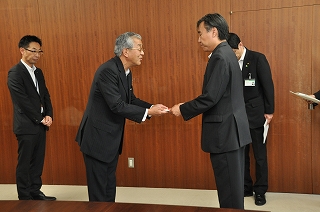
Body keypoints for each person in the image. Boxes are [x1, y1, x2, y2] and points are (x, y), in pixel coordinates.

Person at [75, 32, 169, 202]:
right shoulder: (108, 71)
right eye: (139, 48)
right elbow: (116, 105)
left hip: (110, 139)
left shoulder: (125, 71)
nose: (142, 53)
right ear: (126, 51)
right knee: (99, 194)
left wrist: (151, 107)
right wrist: (148, 113)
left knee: (109, 186)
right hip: (97, 139)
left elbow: (131, 100)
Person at [171, 14, 252, 209]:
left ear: (213, 31)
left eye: (200, 33)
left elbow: (210, 97)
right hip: (234, 132)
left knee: (229, 193)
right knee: (234, 189)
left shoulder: (219, 56)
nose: (198, 39)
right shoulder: (228, 53)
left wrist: (182, 109)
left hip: (225, 134)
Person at [227, 32, 274, 206]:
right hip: (238, 116)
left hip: (257, 115)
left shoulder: (257, 58)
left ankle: (260, 191)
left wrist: (269, 111)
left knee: (259, 156)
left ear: (240, 45)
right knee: (242, 154)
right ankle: (246, 187)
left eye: (234, 52)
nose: (232, 56)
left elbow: (268, 86)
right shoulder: (229, 61)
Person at [7, 35, 56, 201]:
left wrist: (49, 114)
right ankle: (25, 196)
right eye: (33, 51)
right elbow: (22, 102)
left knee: (37, 161)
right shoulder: (15, 73)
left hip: (41, 123)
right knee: (25, 162)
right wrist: (39, 118)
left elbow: (45, 95)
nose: (37, 54)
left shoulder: (38, 72)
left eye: (39, 51)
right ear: (22, 50)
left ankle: (35, 191)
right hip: (26, 125)